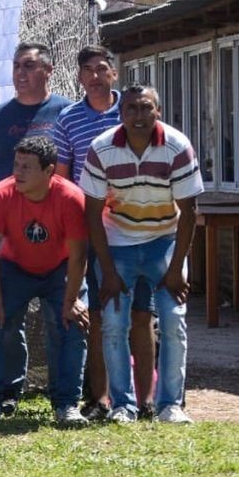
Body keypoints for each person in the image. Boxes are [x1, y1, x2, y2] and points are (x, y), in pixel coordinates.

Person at [79, 85, 202, 424]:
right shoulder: (101, 148)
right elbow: (92, 214)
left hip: (165, 241)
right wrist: (108, 271)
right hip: (117, 243)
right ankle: (123, 405)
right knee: (114, 323)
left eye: (146, 107)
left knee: (173, 320)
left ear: (157, 111)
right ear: (121, 114)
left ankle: (170, 405)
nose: (138, 115)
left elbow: (190, 212)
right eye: (131, 108)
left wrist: (175, 269)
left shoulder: (177, 146)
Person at [51, 46, 150, 421]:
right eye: (87, 70)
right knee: (97, 313)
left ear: (114, 73)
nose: (95, 76)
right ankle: (101, 398)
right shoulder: (68, 119)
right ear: (79, 77)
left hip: (137, 224)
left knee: (140, 313)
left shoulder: (134, 110)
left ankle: (146, 399)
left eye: (101, 68)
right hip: (91, 227)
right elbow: (63, 176)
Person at [0, 41, 71, 416]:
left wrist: (47, 209)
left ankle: (65, 398)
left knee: (61, 320)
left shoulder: (65, 112)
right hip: (9, 240)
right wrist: (12, 210)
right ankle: (7, 393)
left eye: (29, 65)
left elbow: (72, 169)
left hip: (58, 238)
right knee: (4, 317)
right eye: (16, 66)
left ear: (48, 70)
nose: (20, 73)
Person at [0, 136, 89, 425]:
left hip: (60, 269)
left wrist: (72, 300)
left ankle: (66, 404)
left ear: (49, 171)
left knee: (72, 323)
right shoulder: (0, 194)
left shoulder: (71, 198)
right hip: (14, 268)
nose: (18, 173)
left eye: (27, 167)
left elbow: (78, 256)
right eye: (16, 165)